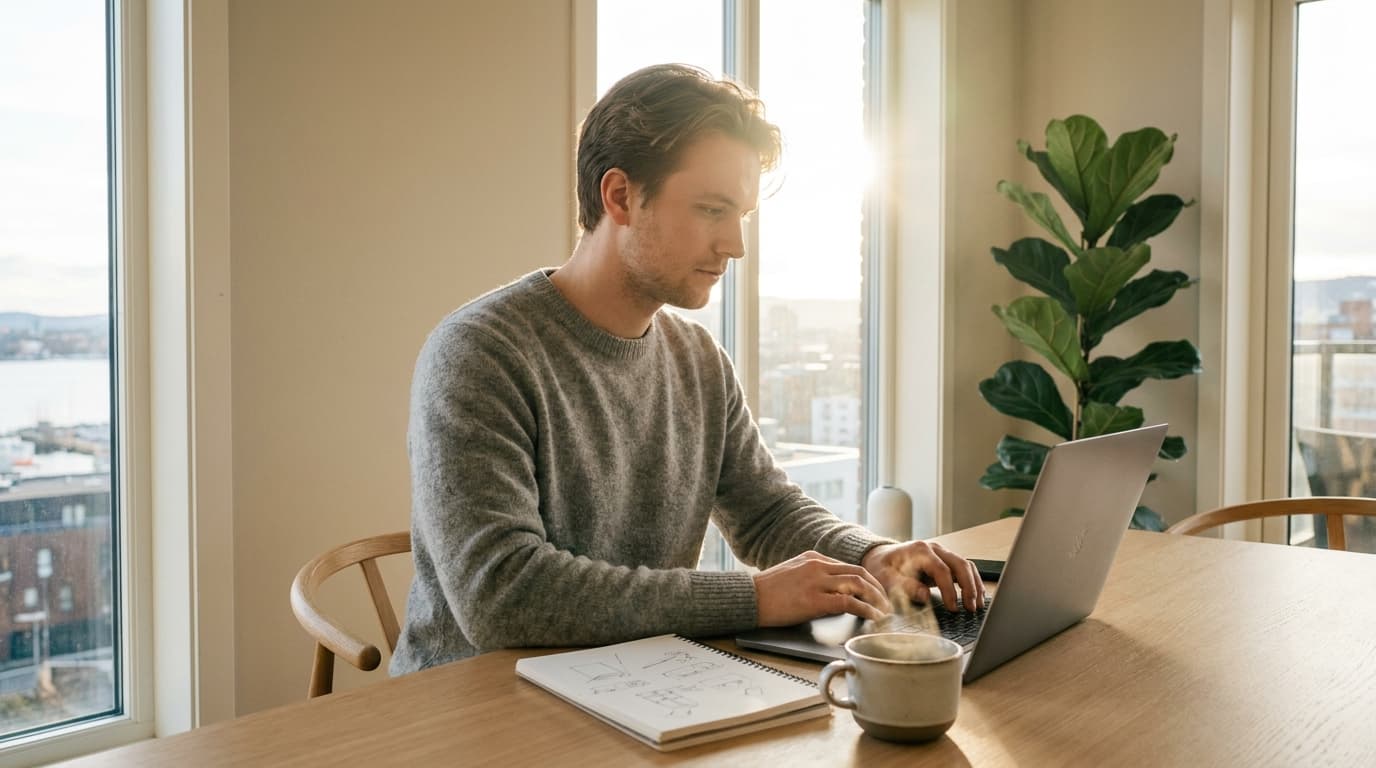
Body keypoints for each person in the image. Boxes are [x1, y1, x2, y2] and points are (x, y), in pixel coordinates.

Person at [390, 63, 984, 675]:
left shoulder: (699, 360)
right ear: (619, 196)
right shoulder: (479, 353)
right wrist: (753, 599)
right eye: (710, 209)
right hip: (471, 705)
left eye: (741, 216)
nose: (735, 245)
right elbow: (503, 597)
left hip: (639, 683)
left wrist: (874, 555)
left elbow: (768, 514)